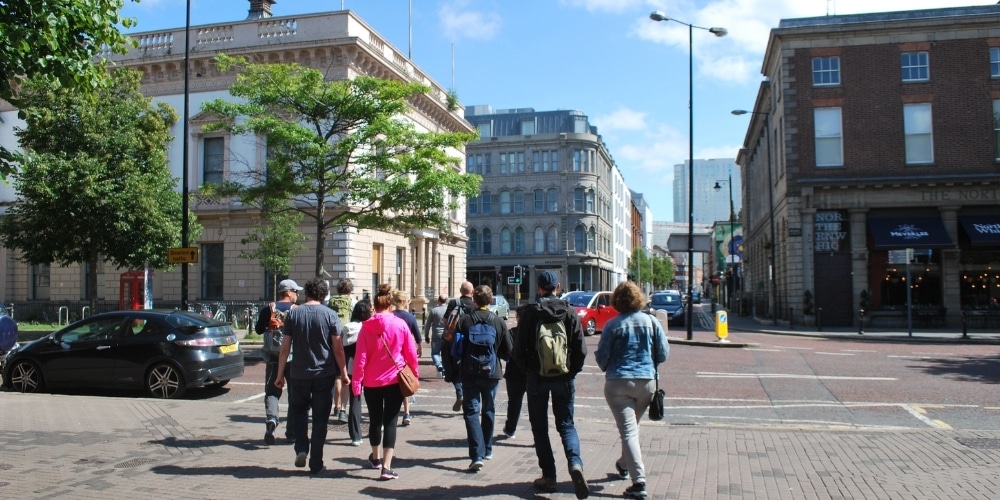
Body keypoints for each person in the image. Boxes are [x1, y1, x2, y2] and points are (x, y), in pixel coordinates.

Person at [512, 270, 590, 499]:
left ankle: (549, 476)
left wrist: (530, 370)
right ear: (558, 286)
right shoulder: (569, 312)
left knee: (540, 428)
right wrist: (571, 371)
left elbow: (518, 351)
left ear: (539, 288)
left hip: (537, 378)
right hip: (563, 378)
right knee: (566, 424)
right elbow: (581, 349)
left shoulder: (531, 312)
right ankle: (575, 464)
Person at [595, 281, 669, 500]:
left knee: (628, 431)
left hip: (618, 382)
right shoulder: (652, 322)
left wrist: (607, 363)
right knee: (632, 429)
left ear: (617, 300)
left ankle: (639, 482)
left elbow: (602, 358)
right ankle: (623, 464)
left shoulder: (612, 325)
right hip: (646, 382)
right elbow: (663, 354)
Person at [274, 278, 349, 475]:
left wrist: (280, 374)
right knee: (320, 418)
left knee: (299, 412)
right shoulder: (331, 315)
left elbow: (285, 348)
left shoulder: (293, 314)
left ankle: (301, 449)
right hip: (324, 373)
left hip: (298, 373)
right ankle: (316, 462)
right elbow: (338, 348)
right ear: (324, 295)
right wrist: (343, 372)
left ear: (307, 292)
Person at [352, 284, 420, 481]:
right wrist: (413, 374)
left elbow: (360, 359)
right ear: (390, 305)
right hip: (393, 380)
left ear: (374, 305)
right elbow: (410, 354)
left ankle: (375, 458)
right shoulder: (400, 325)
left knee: (375, 420)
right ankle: (387, 467)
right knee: (390, 421)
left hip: (371, 382)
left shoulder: (366, 328)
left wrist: (357, 383)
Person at [457, 285, 512, 472]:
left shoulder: (465, 321)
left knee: (471, 412)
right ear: (490, 301)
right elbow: (508, 351)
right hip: (491, 372)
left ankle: (476, 455)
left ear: (474, 300)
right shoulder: (498, 321)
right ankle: (488, 449)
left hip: (469, 372)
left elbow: (456, 347)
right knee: (488, 410)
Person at [255, 278, 301, 445]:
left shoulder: (269, 309)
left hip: (274, 357)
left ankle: (272, 420)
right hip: (293, 358)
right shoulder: (297, 310)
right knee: (295, 396)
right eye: (296, 292)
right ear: (288, 293)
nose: (297, 295)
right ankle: (292, 433)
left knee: (272, 392)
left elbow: (258, 329)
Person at [441, 281, 475, 412]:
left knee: (455, 370)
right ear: (472, 292)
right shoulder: (474, 304)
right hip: (470, 342)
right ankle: (469, 399)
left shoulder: (454, 303)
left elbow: (445, 321)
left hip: (453, 342)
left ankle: (460, 394)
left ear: (460, 291)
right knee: (468, 371)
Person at [344, 297, 372, 446]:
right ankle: (376, 425)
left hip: (352, 367)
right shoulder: (370, 327)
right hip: (371, 367)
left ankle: (356, 435)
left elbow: (344, 351)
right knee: (374, 399)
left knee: (355, 400)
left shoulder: (348, 328)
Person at [391, 290, 422, 426]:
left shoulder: (390, 316)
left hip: (392, 353)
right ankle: (406, 412)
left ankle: (390, 412)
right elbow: (418, 335)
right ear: (405, 302)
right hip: (405, 353)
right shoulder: (410, 317)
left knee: (391, 385)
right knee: (405, 382)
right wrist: (419, 347)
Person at [329, 278, 356, 424]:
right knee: (346, 375)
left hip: (333, 340)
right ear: (350, 289)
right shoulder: (353, 302)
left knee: (337, 377)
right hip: (348, 341)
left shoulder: (331, 301)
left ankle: (336, 405)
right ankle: (343, 410)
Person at [501, 310, 527, 440]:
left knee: (514, 403)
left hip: (514, 373)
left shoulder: (511, 333)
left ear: (517, 318)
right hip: (531, 373)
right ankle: (539, 435)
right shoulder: (534, 333)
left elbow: (506, 351)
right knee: (536, 405)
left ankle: (510, 429)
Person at [423, 295, 449, 377]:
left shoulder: (434, 311)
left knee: (435, 353)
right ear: (446, 301)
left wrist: (426, 336)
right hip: (447, 335)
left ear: (438, 301)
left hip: (436, 335)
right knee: (445, 354)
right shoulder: (449, 310)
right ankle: (444, 370)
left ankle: (439, 365)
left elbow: (427, 325)